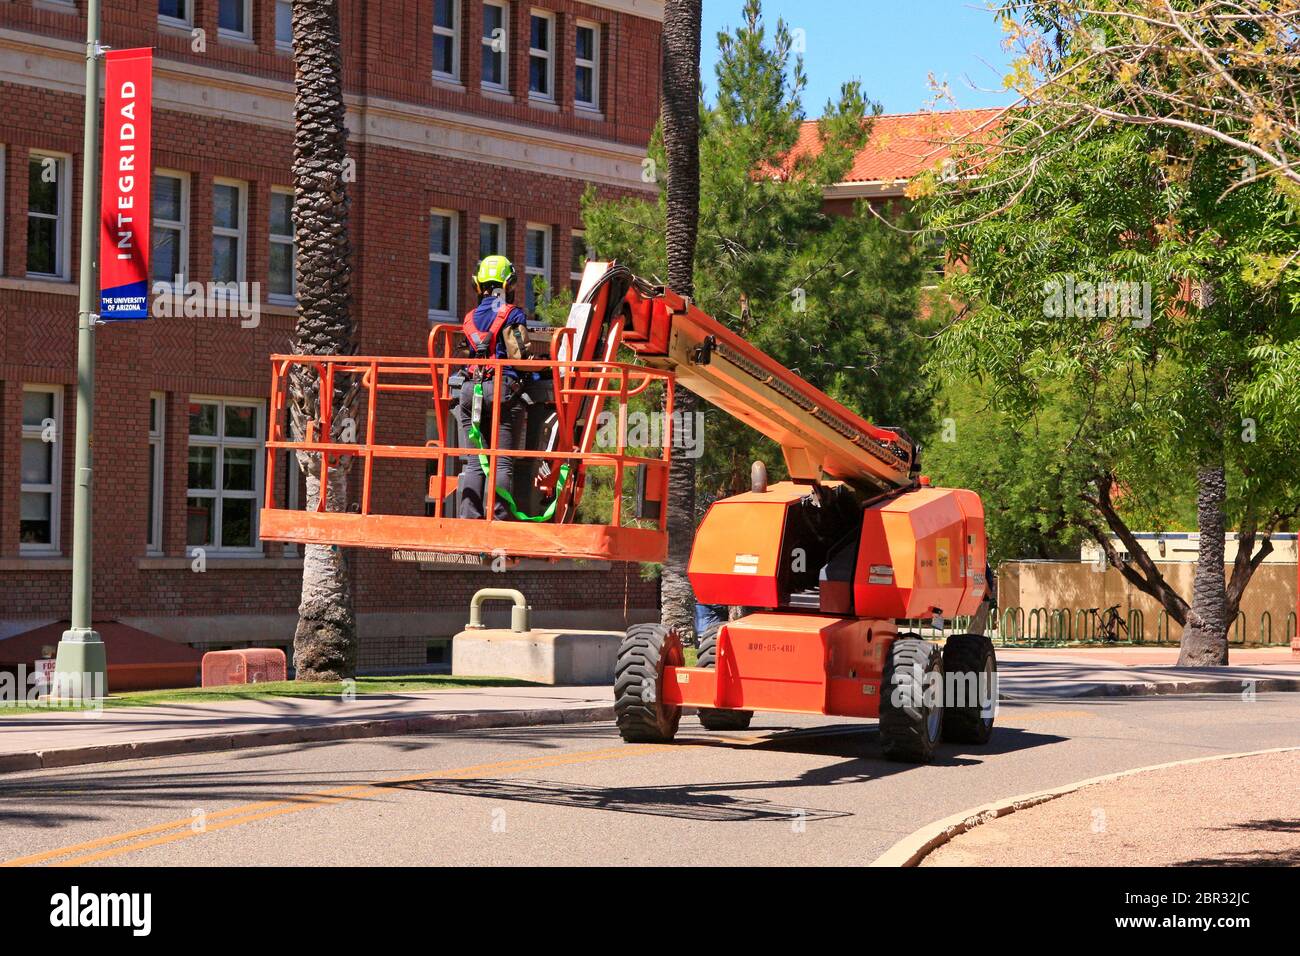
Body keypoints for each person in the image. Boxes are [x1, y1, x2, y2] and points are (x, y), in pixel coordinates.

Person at [456, 255, 532, 520]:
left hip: (470, 391)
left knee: (476, 460)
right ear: (508, 283)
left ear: (479, 285)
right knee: (501, 460)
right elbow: (519, 357)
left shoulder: (469, 318)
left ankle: (469, 518)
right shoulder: (511, 313)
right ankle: (499, 520)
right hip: (501, 391)